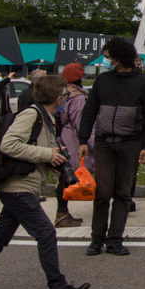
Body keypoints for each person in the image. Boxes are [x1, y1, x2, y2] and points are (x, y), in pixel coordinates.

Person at [0, 75, 91, 289]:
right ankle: (59, 288)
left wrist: (53, 159)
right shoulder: (32, 114)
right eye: (64, 94)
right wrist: (47, 154)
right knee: (46, 233)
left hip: (20, 187)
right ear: (57, 97)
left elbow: (32, 149)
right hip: (17, 188)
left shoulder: (47, 118)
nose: (66, 98)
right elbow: (8, 144)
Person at [78, 37, 145, 256]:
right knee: (102, 193)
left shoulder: (143, 83)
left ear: (120, 56)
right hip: (104, 142)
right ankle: (97, 239)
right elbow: (90, 111)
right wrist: (83, 139)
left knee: (123, 193)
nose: (107, 59)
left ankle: (115, 239)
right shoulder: (103, 81)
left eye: (109, 55)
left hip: (130, 143)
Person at [53, 63, 88, 228]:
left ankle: (62, 211)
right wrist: (85, 140)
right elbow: (79, 120)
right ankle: (62, 213)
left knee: (62, 175)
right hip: (72, 137)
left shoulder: (61, 93)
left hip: (60, 137)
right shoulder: (78, 97)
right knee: (68, 176)